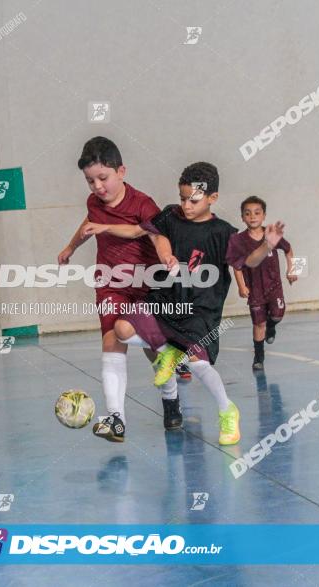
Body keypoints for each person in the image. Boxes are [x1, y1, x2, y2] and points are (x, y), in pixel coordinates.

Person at [83, 162, 241, 445]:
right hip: (169, 299)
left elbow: (246, 259)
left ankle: (227, 409)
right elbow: (144, 233)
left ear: (212, 198)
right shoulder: (171, 215)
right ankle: (167, 353)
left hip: (200, 309)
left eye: (193, 200)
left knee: (197, 363)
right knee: (122, 328)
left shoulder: (223, 231)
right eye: (182, 198)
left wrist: (265, 247)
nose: (186, 205)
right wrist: (106, 227)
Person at [57, 136, 181, 442]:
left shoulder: (142, 203)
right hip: (110, 283)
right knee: (112, 339)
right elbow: (90, 222)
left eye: (103, 178)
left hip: (146, 284)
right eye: (90, 181)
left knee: (155, 352)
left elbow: (156, 235)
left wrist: (166, 255)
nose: (98, 187)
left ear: (121, 171)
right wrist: (70, 246)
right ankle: (116, 418)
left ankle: (171, 399)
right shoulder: (94, 203)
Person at [226, 196, 295, 370]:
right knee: (258, 323)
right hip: (255, 289)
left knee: (278, 314)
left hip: (274, 286)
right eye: (247, 213)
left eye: (257, 213)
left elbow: (289, 249)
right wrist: (242, 286)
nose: (252, 216)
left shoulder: (271, 235)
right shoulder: (238, 240)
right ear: (242, 217)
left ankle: (272, 327)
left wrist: (293, 270)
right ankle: (259, 357)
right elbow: (237, 265)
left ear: (264, 215)